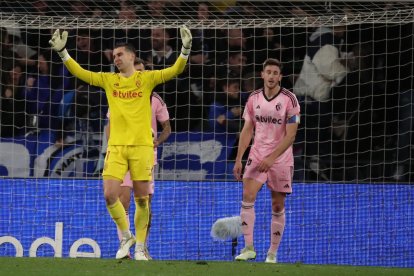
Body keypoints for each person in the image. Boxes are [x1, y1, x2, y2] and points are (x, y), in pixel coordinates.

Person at [49, 26, 191, 260]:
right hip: (116, 148)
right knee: (109, 195)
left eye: (119, 55)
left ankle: (140, 248)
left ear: (132, 57)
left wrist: (185, 50)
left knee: (143, 200)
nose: (115, 58)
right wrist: (63, 53)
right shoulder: (109, 80)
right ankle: (126, 236)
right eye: (114, 55)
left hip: (143, 148)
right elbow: (81, 73)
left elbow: (175, 70)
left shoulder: (146, 79)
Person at [233, 58, 300, 263]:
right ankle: (249, 248)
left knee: (277, 205)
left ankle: (272, 253)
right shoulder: (253, 99)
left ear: (280, 77)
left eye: (275, 73)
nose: (271, 76)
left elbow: (291, 136)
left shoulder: (290, 100)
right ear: (262, 75)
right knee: (247, 195)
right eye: (268, 72)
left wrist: (272, 158)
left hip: (280, 159)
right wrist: (238, 158)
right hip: (257, 155)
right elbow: (247, 129)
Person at [107, 58, 171, 259]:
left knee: (145, 204)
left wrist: (156, 142)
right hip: (123, 152)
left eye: (142, 71)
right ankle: (125, 247)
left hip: (146, 155)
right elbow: (109, 124)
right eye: (136, 70)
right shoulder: (120, 95)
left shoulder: (156, 100)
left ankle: (142, 247)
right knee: (122, 199)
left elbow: (167, 128)